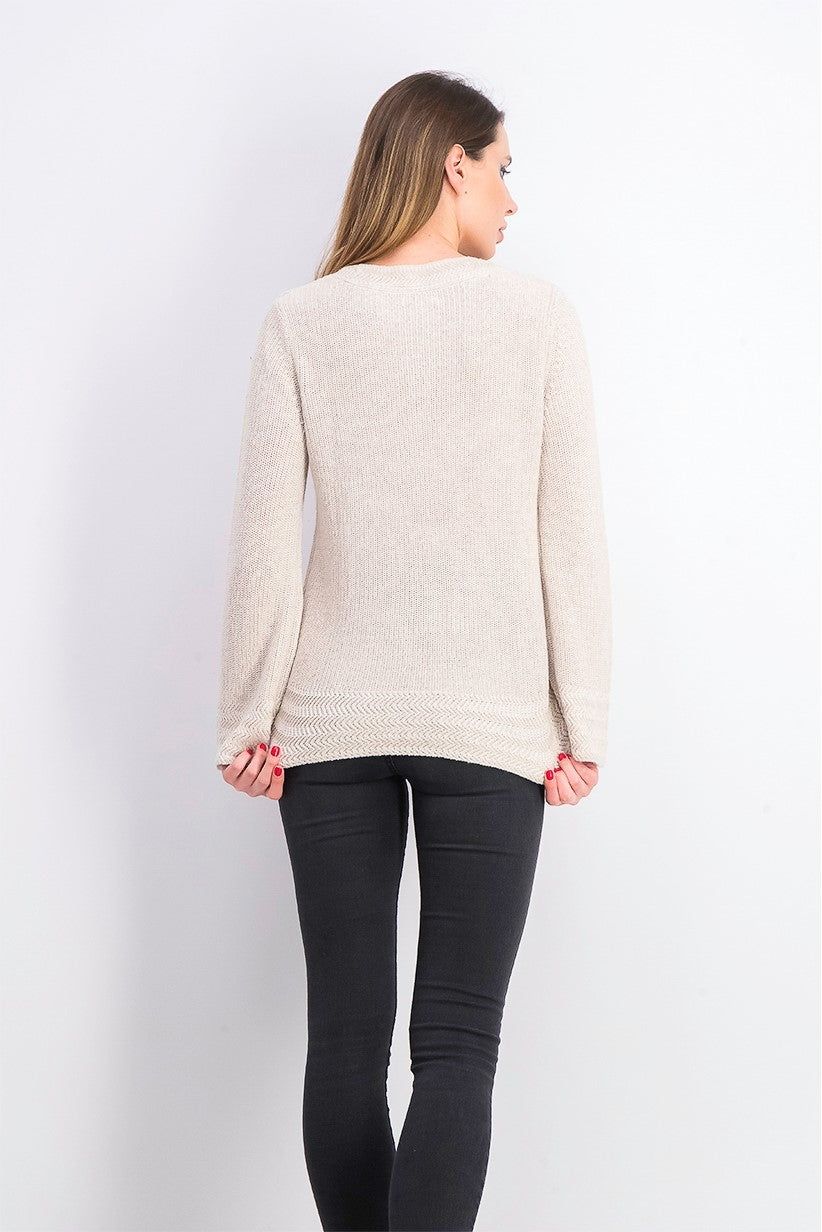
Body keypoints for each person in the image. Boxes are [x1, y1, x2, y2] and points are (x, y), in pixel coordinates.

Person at [215, 69, 612, 1232]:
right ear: (453, 165)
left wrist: (248, 716)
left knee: (345, 1040)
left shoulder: (302, 319)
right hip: (492, 725)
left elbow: (263, 545)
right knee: (456, 1045)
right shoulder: (540, 318)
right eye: (503, 169)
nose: (512, 199)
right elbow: (570, 535)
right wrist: (581, 718)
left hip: (328, 726)